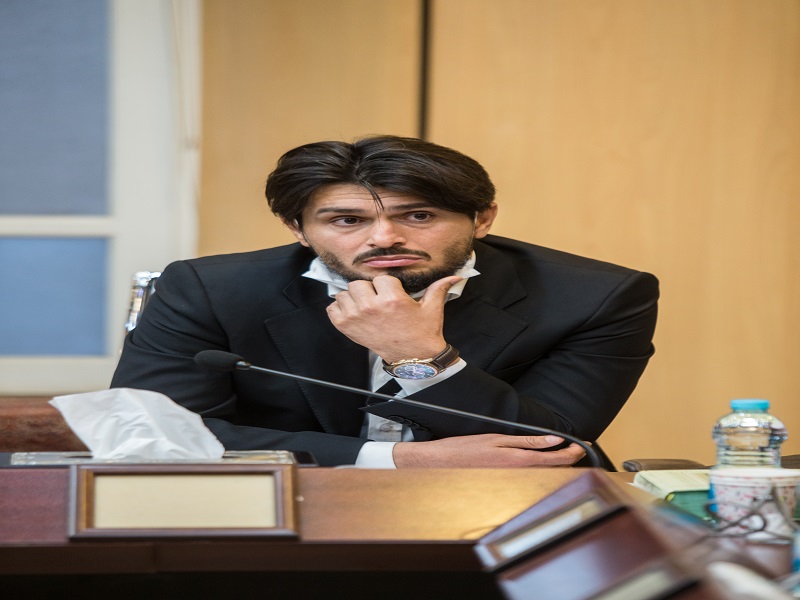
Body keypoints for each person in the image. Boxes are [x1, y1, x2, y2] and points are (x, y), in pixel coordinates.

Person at [111, 135, 659, 470]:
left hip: (502, 516)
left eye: (418, 216)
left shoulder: (596, 296)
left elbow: (549, 446)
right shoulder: (209, 289)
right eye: (347, 220)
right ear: (297, 228)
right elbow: (148, 434)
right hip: (285, 509)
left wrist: (420, 355)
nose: (384, 238)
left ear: (483, 219)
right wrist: (396, 459)